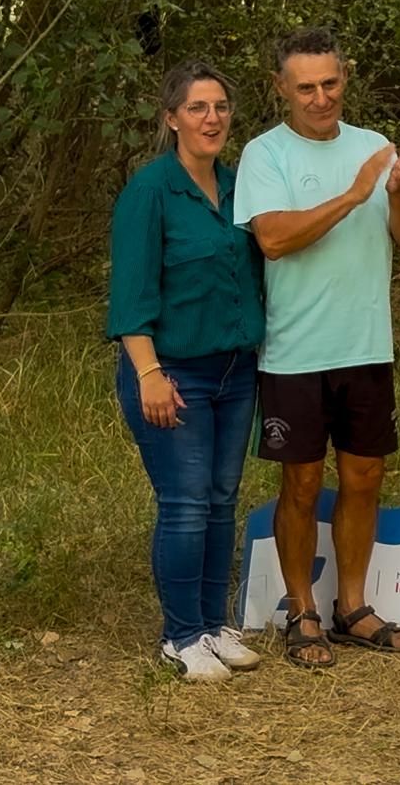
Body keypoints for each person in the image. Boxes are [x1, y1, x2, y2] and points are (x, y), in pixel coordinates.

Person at [234, 27, 400, 668]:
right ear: (281, 90)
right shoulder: (265, 155)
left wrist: (395, 193)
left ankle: (351, 608)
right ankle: (302, 611)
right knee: (301, 483)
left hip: (367, 345)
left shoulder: (375, 148)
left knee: (364, 478)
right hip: (295, 351)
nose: (321, 98)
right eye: (307, 87)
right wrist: (352, 194)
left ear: (345, 79)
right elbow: (274, 239)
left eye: (331, 83)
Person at [107, 60, 266, 681]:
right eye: (198, 107)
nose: (212, 118)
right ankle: (180, 636)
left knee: (222, 501)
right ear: (171, 117)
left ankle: (212, 624)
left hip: (235, 371)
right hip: (173, 373)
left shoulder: (235, 186)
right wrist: (148, 373)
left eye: (221, 106)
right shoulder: (150, 191)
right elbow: (131, 297)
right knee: (183, 503)